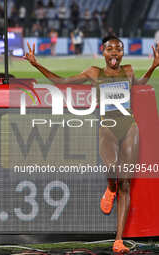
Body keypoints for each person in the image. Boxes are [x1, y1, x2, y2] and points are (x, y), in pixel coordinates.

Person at [24, 36, 159, 253]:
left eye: (118, 49)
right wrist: (37, 64)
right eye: (110, 49)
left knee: (126, 182)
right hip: (107, 126)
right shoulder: (93, 72)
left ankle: (118, 240)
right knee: (112, 170)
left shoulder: (130, 70)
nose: (114, 53)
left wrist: (152, 67)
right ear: (103, 52)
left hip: (129, 126)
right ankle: (110, 186)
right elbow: (63, 83)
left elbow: (139, 84)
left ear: (122, 53)